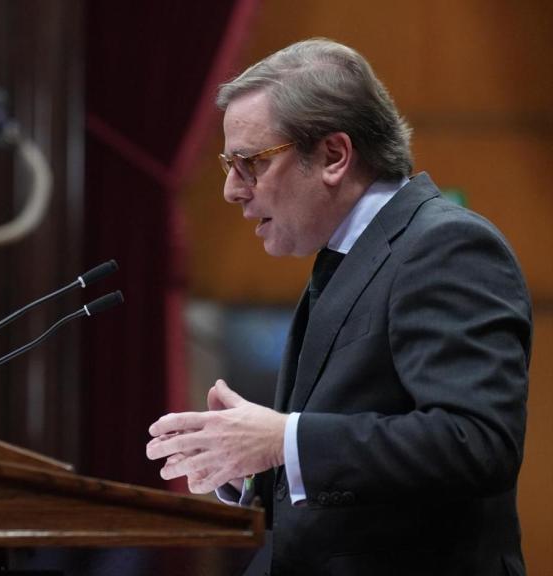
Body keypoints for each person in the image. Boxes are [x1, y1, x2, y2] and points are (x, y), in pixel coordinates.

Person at [145, 38, 532, 575]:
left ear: (333, 156)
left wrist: (283, 440)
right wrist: (248, 461)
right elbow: (343, 464)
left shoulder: (446, 247)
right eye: (228, 165)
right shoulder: (349, 254)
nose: (233, 190)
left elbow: (475, 442)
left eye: (249, 163)